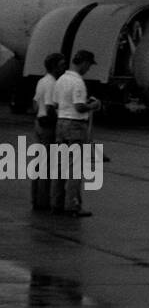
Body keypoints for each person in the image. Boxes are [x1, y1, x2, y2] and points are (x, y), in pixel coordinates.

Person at [52, 50, 100, 217]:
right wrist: (93, 106)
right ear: (84, 63)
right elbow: (79, 106)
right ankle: (73, 204)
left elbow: (56, 104)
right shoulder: (78, 82)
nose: (88, 69)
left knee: (60, 167)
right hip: (75, 125)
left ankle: (56, 202)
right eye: (88, 65)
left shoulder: (61, 80)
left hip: (61, 123)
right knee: (75, 168)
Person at [31, 52, 65, 211]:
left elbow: (35, 104)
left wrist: (39, 116)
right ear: (55, 66)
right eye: (61, 64)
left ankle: (36, 198)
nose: (64, 68)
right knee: (47, 165)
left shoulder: (41, 81)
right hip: (48, 126)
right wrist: (58, 122)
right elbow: (51, 107)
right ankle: (44, 201)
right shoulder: (53, 84)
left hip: (39, 122)